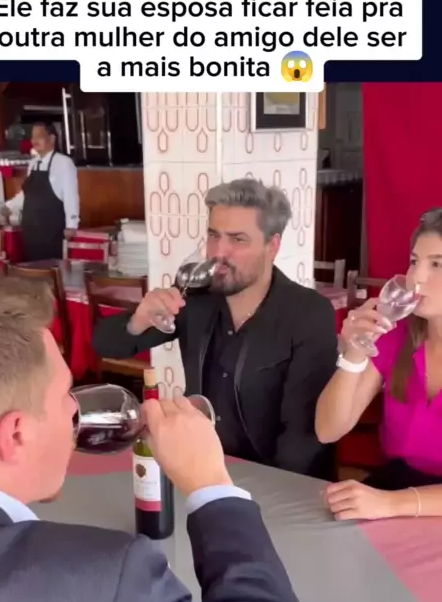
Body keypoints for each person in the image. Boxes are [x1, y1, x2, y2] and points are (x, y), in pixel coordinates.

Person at [0, 276, 316, 602]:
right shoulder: (96, 587)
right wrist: (210, 483)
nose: (75, 410)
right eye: (66, 393)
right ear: (16, 434)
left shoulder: (300, 312)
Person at [93, 178, 339, 480]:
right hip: (199, 466)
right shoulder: (195, 296)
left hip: (272, 478)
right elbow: (106, 345)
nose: (219, 252)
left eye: (238, 239)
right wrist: (139, 320)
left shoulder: (308, 313)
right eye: (213, 235)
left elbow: (301, 439)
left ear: (272, 246)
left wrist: (266, 493)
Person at [316, 208, 442, 521]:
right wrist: (354, 355)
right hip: (397, 486)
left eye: (437, 264)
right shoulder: (397, 335)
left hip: (408, 502)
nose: (416, 278)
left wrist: (390, 504)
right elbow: (328, 430)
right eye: (414, 261)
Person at [0, 121, 80, 261]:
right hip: (31, 230)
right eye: (32, 137)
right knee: (32, 268)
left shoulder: (64, 163)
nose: (34, 140)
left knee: (51, 268)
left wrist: (71, 225)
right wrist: (9, 206)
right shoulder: (33, 163)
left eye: (39, 136)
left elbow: (71, 196)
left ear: (52, 138)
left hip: (52, 230)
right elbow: (27, 194)